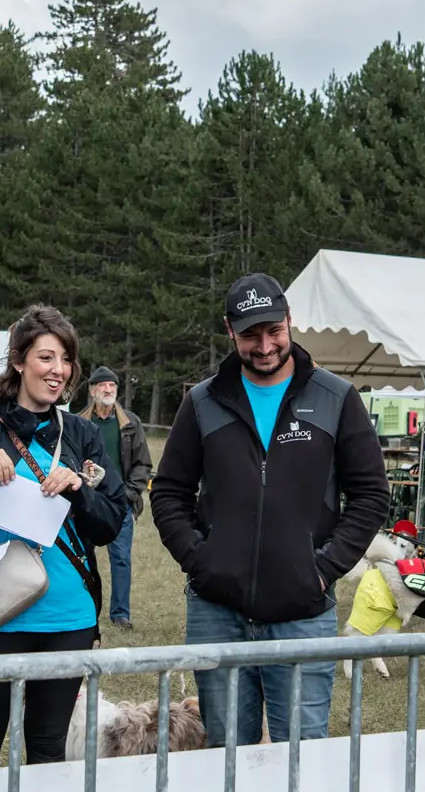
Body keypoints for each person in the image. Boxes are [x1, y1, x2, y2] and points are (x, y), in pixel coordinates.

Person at [150, 272, 391, 745]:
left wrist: (322, 569)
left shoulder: (336, 398)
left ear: (289, 321)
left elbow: (371, 495)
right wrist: (202, 561)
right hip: (217, 612)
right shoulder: (201, 402)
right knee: (227, 755)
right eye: (250, 335)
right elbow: (168, 492)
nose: (264, 346)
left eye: (273, 331)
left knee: (300, 754)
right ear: (229, 330)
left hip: (302, 610)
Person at [0, 306, 128, 769]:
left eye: (66, 360)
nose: (58, 371)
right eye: (46, 357)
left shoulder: (82, 434)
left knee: (49, 751)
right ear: (19, 360)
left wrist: (79, 490)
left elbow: (110, 525)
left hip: (68, 617)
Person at [80, 366, 153, 629]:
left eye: (112, 386)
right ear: (92, 391)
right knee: (83, 556)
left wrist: (128, 494)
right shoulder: (80, 422)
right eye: (102, 386)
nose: (108, 390)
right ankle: (86, 609)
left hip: (119, 502)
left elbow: (143, 464)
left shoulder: (130, 422)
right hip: (88, 502)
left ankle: (120, 614)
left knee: (120, 558)